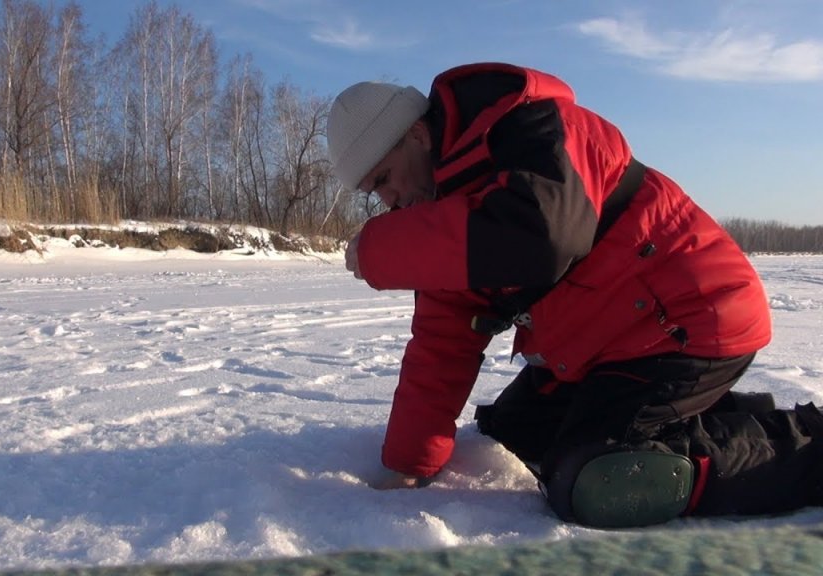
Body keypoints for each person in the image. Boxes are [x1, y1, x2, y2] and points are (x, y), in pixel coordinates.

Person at [326, 62, 823, 527]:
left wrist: (383, 248)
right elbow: (442, 344)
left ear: (416, 134)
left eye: (385, 178)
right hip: (614, 343)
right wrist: (409, 464)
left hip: (690, 321)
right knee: (516, 431)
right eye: (373, 191)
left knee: (593, 477)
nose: (386, 200)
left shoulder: (532, 126)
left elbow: (542, 237)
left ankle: (807, 453)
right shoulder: (442, 222)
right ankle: (722, 418)